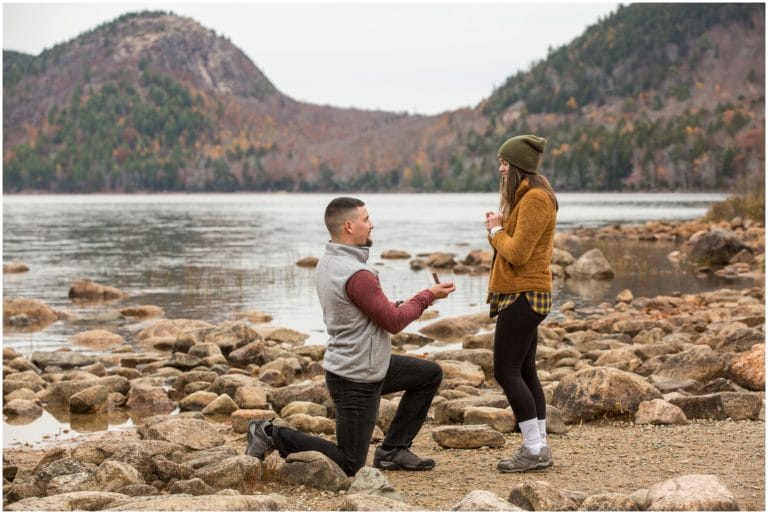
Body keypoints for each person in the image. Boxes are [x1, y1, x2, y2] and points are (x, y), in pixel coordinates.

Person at [246, 196, 456, 476]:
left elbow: (365, 310)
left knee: (428, 374)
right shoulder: (357, 274)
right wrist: (427, 296)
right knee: (350, 464)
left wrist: (404, 302)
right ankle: (270, 433)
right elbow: (393, 323)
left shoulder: (328, 261)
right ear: (349, 226)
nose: (372, 225)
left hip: (367, 364)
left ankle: (393, 450)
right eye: (366, 219)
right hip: (355, 378)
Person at [484, 134, 558, 473]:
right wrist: (500, 227)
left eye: (504, 162)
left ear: (517, 166)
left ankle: (533, 449)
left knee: (505, 371)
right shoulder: (527, 196)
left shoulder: (536, 200)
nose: (500, 168)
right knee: (525, 370)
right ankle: (539, 445)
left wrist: (496, 230)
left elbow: (517, 253)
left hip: (525, 295)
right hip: (526, 294)